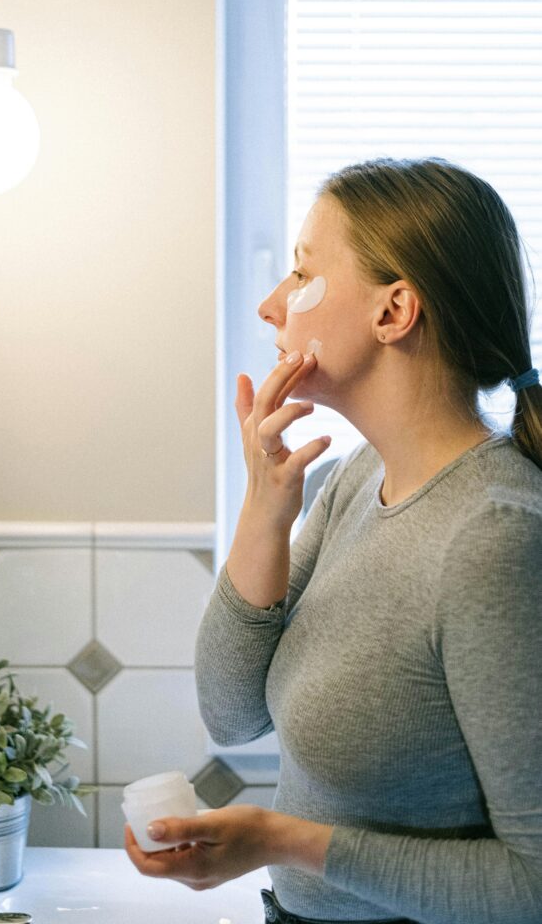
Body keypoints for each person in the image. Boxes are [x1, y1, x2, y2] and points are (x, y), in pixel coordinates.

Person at [124, 157, 542, 924]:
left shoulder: (492, 540)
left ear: (393, 313)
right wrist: (264, 507)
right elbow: (231, 713)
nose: (269, 305)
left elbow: (532, 881)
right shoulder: (353, 480)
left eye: (300, 274)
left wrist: (285, 841)